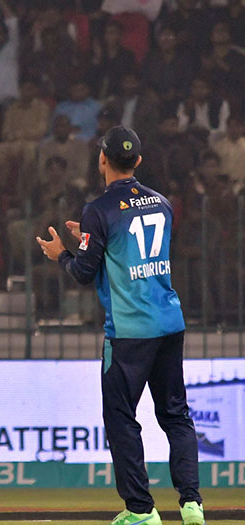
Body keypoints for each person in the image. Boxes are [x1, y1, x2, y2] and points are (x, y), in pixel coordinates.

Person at [36, 125, 204, 525]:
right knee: (176, 416)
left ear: (102, 160)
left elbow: (82, 272)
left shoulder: (98, 208)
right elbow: (133, 254)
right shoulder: (162, 202)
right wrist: (94, 240)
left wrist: (62, 253)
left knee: (121, 419)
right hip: (169, 322)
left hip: (129, 332)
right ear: (139, 161)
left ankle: (141, 511)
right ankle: (192, 505)